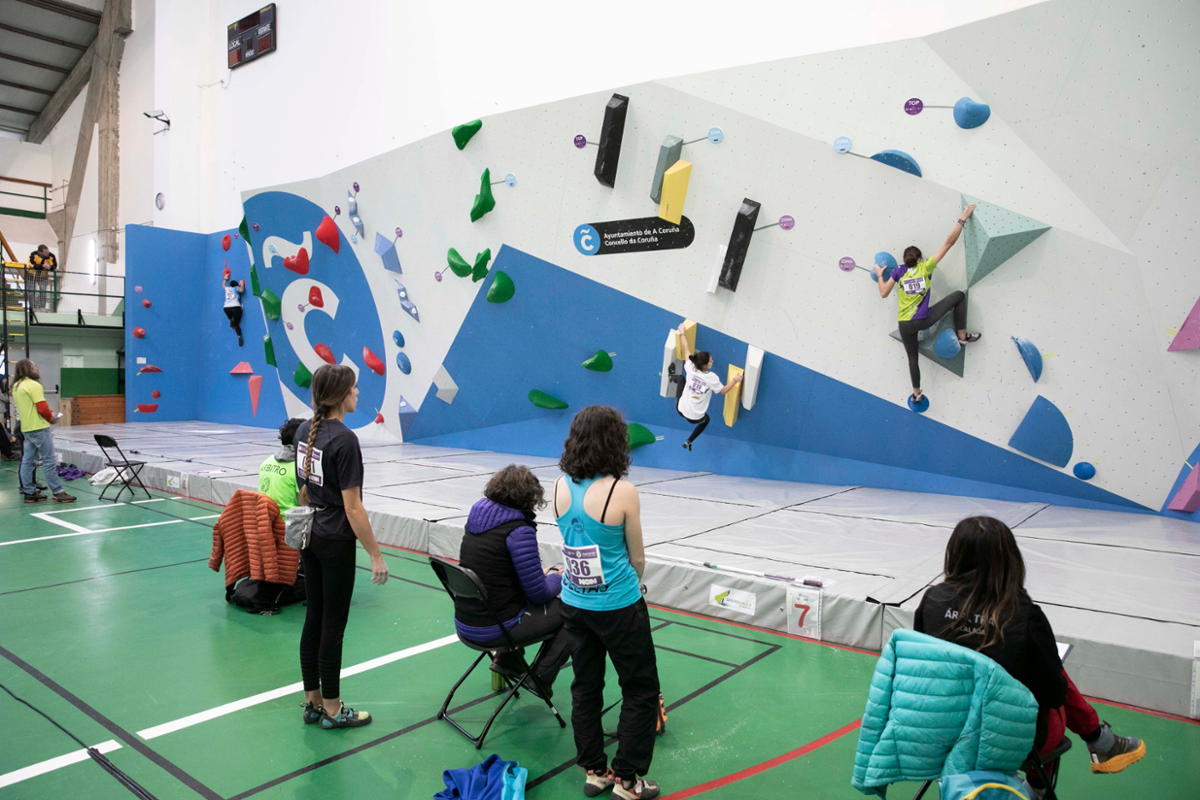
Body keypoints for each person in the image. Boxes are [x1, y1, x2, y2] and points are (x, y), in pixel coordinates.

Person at [914, 517, 1144, 796]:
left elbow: (921, 670)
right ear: (1009, 560)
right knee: (1051, 683)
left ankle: (1098, 740)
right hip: (1012, 743)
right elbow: (1054, 695)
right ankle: (1048, 778)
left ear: (955, 554)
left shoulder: (931, 601)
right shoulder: (1025, 615)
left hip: (941, 734)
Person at [554, 405, 661, 800]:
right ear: (616, 442)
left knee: (585, 687)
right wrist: (627, 586)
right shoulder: (622, 491)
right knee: (641, 689)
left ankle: (595, 771)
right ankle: (628, 781)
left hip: (574, 604)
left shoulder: (559, 485)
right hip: (618, 608)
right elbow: (638, 559)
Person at [294, 364, 388, 730]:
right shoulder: (345, 440)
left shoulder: (304, 430)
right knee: (333, 624)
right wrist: (375, 554)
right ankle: (333, 709)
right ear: (340, 395)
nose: (358, 393)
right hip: (334, 540)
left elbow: (304, 488)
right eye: (354, 388)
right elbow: (353, 507)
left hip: (310, 534)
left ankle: (313, 701)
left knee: (314, 618)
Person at [455, 464, 570, 691]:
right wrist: (559, 578)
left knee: (508, 599)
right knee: (576, 611)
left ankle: (507, 659)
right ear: (529, 497)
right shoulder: (518, 530)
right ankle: (540, 678)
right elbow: (539, 594)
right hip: (494, 628)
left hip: (466, 623)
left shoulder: (477, 515)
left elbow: (496, 572)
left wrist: (538, 576)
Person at [875, 206, 982, 406]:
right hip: (923, 320)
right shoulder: (926, 267)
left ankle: (916, 394)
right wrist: (963, 218)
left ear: (905, 260)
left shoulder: (898, 271)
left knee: (912, 359)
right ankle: (962, 336)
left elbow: (883, 293)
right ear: (919, 259)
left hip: (904, 324)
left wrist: (880, 275)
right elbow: (949, 242)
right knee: (959, 296)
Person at [667, 322, 742, 451]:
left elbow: (686, 349)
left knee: (680, 378)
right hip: (695, 418)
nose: (712, 361)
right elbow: (723, 391)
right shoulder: (712, 378)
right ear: (705, 365)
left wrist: (682, 332)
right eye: (711, 361)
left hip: (681, 410)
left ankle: (671, 376)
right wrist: (735, 380)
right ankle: (689, 441)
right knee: (706, 420)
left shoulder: (690, 366)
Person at [11, 360, 74, 503]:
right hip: (39, 428)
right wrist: (52, 418)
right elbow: (42, 408)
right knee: (49, 461)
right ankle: (58, 492)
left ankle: (29, 491)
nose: (36, 369)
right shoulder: (34, 385)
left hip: (26, 428)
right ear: (29, 369)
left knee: (28, 461)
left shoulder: (16, 386)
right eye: (34, 367)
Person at [258, 418, 304, 513]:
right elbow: (306, 504)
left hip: (265, 518)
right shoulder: (299, 469)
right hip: (290, 521)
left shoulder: (266, 462)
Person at [28, 245, 57, 312]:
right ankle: (32, 307)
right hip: (31, 275)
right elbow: (31, 264)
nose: (47, 253)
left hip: (43, 276)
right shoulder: (33, 254)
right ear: (40, 252)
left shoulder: (51, 256)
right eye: (45, 252)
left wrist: (50, 267)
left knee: (43, 291)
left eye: (48, 251)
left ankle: (42, 307)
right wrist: (42, 266)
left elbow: (54, 266)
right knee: (31, 292)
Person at [224, 278, 244, 347]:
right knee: (237, 324)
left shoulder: (227, 289)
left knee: (229, 314)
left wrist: (225, 279)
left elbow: (223, 286)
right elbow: (241, 290)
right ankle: (239, 336)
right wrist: (242, 284)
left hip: (226, 308)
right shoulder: (236, 288)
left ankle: (230, 320)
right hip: (235, 308)